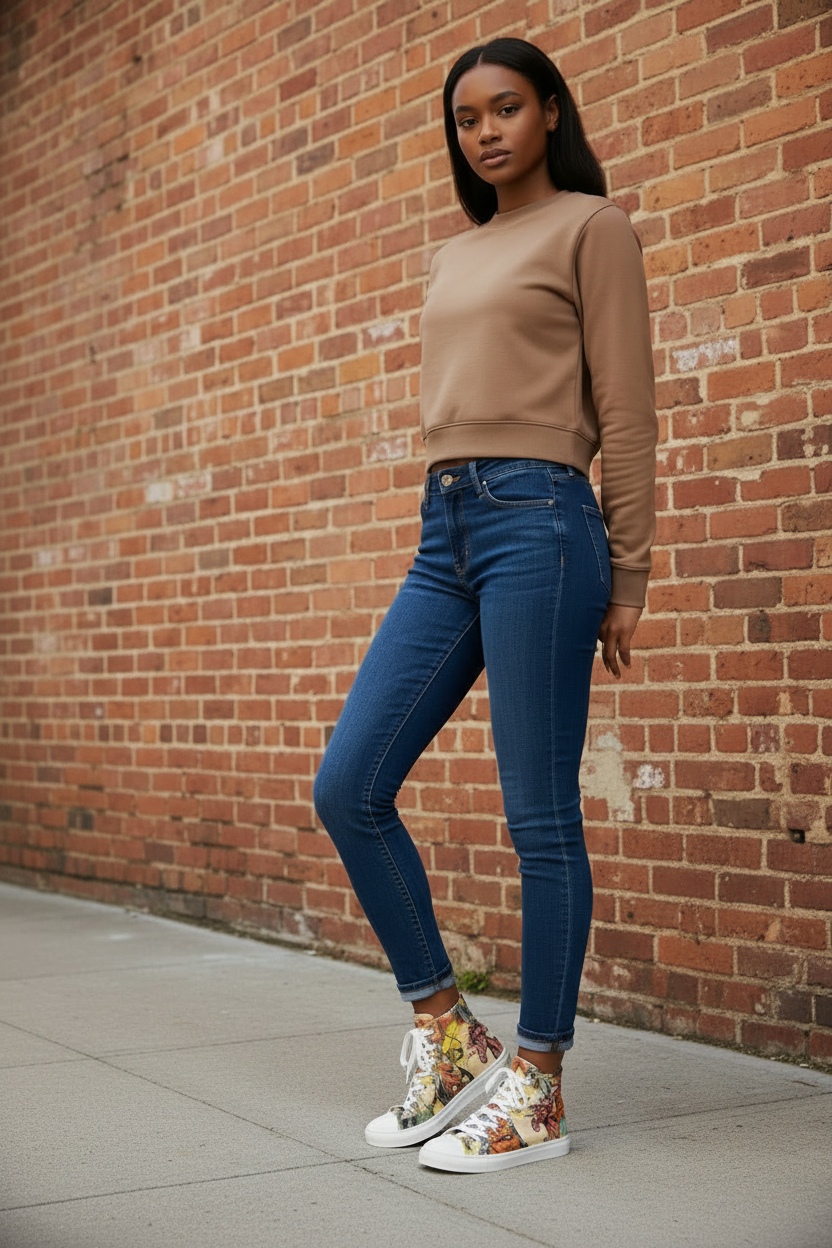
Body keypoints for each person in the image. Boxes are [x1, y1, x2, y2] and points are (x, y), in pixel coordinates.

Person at [313, 36, 657, 1174]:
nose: (488, 132)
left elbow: (629, 408)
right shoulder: (455, 255)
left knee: (537, 818)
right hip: (444, 528)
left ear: (550, 113)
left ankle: (542, 1084)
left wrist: (632, 575)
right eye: (467, 120)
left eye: (507, 108)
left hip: (543, 526)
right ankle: (446, 1032)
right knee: (348, 784)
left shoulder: (590, 230)